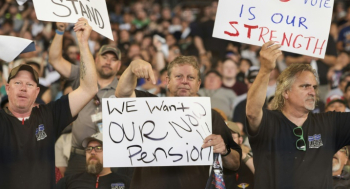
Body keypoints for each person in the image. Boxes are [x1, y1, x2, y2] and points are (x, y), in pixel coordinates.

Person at [115, 56, 241, 189]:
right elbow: (122, 94)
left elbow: (235, 164)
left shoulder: (211, 116)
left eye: (190, 78)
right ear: (168, 81)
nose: (185, 82)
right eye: (179, 76)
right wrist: (131, 68)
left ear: (198, 84)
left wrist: (224, 151)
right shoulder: (148, 105)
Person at [0, 18, 98, 189]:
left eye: (30, 84)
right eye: (17, 83)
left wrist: (83, 42)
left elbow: (89, 88)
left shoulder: (50, 115)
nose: (23, 88)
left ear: (37, 92)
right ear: (7, 89)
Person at [246, 40, 350, 188]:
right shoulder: (269, 122)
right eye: (305, 86)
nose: (312, 92)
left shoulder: (330, 123)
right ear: (286, 92)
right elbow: (252, 113)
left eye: (314, 87)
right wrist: (265, 70)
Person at [49, 22, 122, 176]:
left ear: (119, 65)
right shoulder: (80, 74)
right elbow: (55, 60)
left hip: (111, 156)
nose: (108, 62)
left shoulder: (123, 89)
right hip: (79, 154)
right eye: (104, 57)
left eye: (113, 59)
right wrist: (60, 31)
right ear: (95, 59)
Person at [56, 133, 128, 189]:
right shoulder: (68, 181)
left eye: (98, 148)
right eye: (89, 148)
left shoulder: (125, 182)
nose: (92, 152)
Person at [224, 121, 254, 189]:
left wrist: (241, 154)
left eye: (232, 137)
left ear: (240, 140)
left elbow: (263, 176)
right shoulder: (216, 161)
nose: (228, 141)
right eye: (224, 137)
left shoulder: (247, 160)